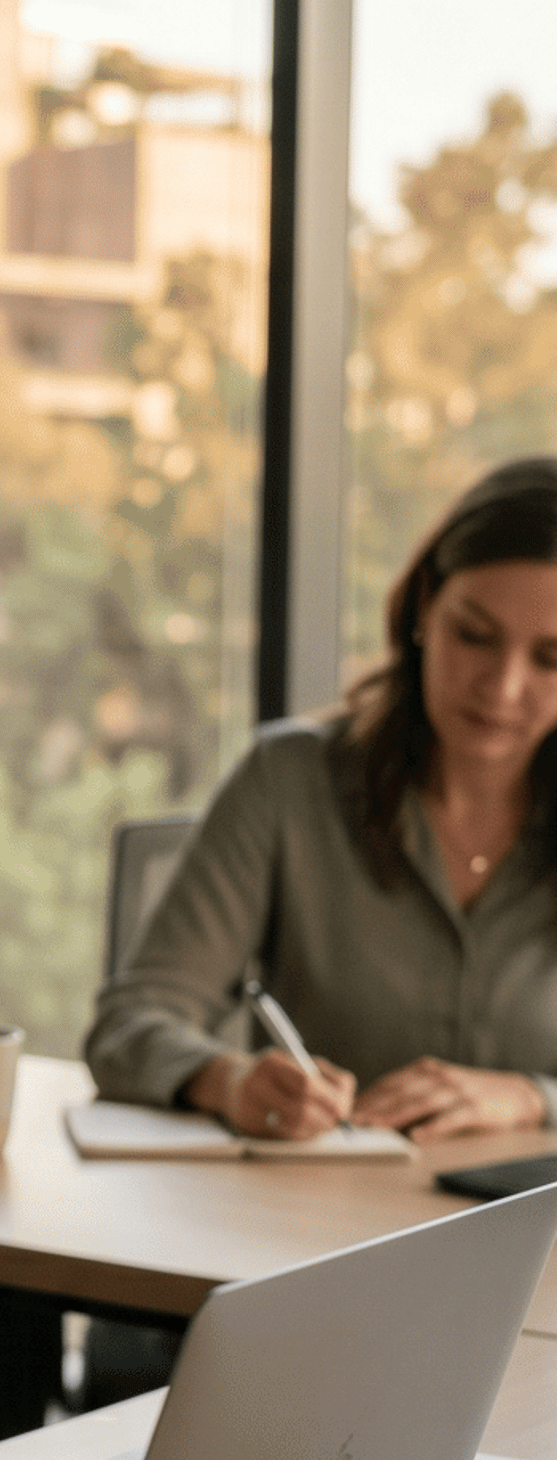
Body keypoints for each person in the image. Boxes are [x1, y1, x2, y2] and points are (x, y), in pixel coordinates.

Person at [86, 457, 557, 1142]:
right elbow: (131, 1023)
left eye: (551, 658)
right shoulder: (288, 781)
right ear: (425, 605)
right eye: (475, 636)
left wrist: (531, 1096)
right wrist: (230, 1080)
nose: (503, 685)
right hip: (321, 1227)